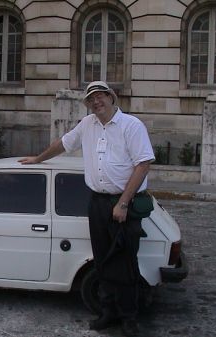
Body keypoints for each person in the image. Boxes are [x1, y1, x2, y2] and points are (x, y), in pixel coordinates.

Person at [19, 81, 155, 337]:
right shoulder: (87, 125)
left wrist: (123, 203)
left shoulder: (131, 125)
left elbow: (143, 165)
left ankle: (129, 316)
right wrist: (38, 159)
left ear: (112, 98)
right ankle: (109, 312)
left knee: (125, 262)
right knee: (103, 260)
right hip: (97, 202)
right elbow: (63, 144)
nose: (96, 101)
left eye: (101, 96)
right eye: (92, 98)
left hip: (123, 203)